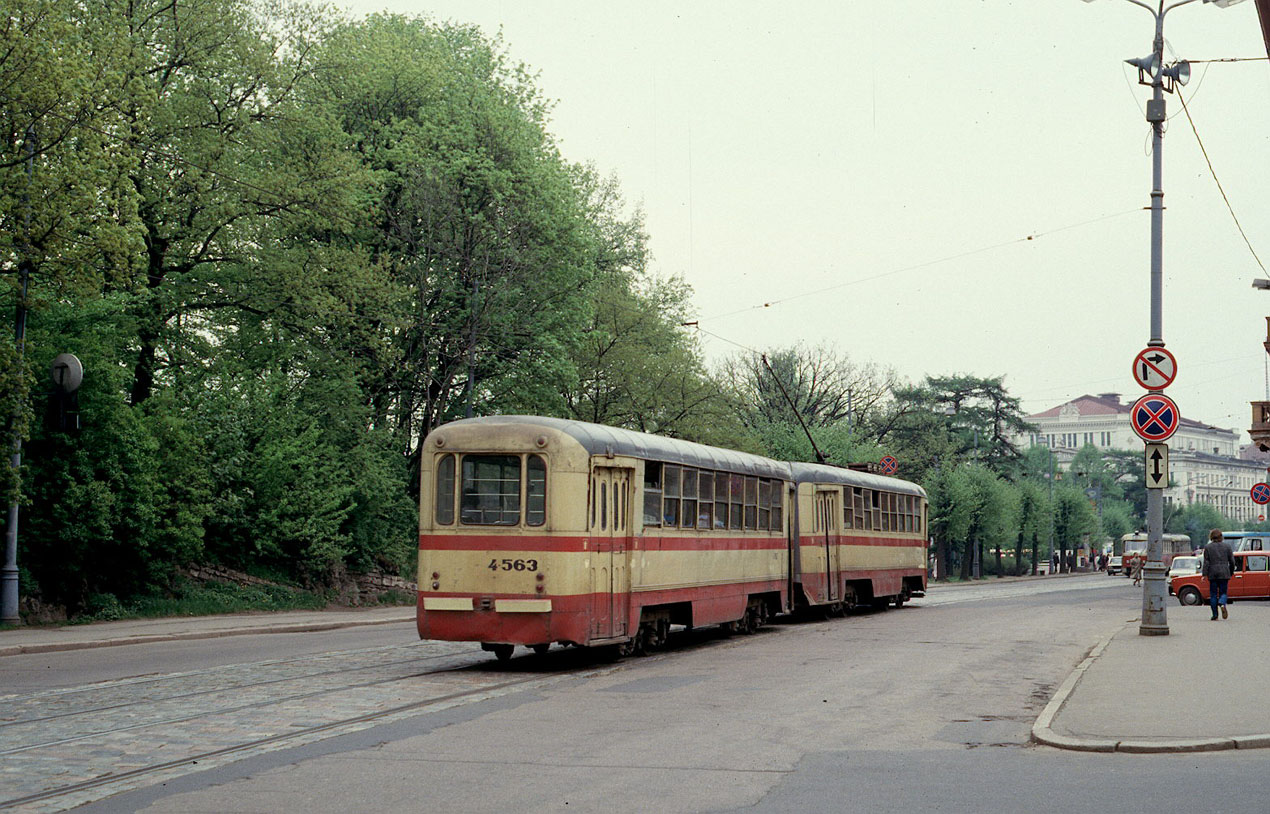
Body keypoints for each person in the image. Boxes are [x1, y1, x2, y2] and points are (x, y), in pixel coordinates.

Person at [1202, 528, 1237, 621]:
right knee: (1223, 592)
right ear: (1221, 536)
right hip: (1224, 572)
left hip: (1212, 573)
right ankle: (1222, 603)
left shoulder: (1208, 547)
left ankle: (1215, 615)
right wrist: (1231, 571)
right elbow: (1232, 561)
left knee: (1213, 594)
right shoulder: (1227, 546)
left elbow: (1206, 562)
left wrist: (1204, 574)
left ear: (1211, 537)